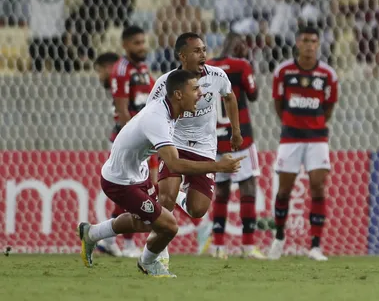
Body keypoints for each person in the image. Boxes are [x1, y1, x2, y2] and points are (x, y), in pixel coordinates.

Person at [77, 69, 243, 278]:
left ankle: (92, 233)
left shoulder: (171, 111)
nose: (201, 94)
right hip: (119, 181)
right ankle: (148, 263)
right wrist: (219, 167)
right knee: (168, 226)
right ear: (179, 95)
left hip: (139, 172)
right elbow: (175, 164)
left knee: (145, 221)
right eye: (195, 89)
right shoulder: (157, 118)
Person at [147, 33, 240, 265]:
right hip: (174, 142)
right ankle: (160, 251)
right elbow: (150, 113)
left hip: (205, 146)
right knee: (165, 196)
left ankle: (179, 195)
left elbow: (230, 97)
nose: (203, 55)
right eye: (197, 51)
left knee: (198, 209)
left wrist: (235, 131)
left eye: (204, 49)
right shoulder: (166, 82)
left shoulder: (217, 76)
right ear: (183, 56)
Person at [269, 26, 339, 261]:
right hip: (290, 137)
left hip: (317, 138)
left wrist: (316, 123)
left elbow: (329, 106)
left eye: (313, 41)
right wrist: (290, 123)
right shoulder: (283, 72)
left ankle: (316, 246)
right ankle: (279, 238)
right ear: (297, 43)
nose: (309, 45)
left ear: (318, 44)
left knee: (318, 186)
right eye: (305, 40)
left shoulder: (327, 75)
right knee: (284, 190)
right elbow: (278, 104)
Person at [96, 26, 155, 258]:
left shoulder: (141, 68)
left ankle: (108, 240)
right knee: (133, 191)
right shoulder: (121, 70)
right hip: (128, 140)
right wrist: (134, 139)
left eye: (143, 42)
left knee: (134, 190)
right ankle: (127, 244)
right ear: (125, 45)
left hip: (141, 139)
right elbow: (122, 108)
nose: (142, 47)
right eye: (137, 43)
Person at [207, 33, 263, 260]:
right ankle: (248, 246)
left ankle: (217, 245)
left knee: (220, 190)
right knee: (247, 187)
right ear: (239, 46)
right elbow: (254, 94)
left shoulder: (208, 67)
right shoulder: (242, 66)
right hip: (241, 136)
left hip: (215, 139)